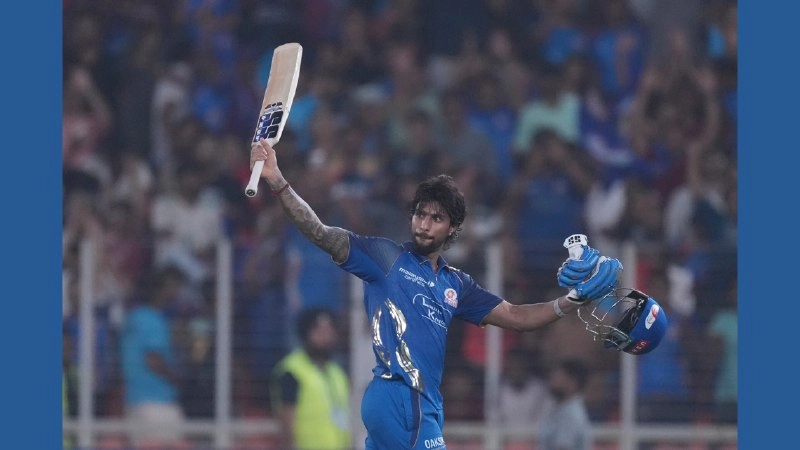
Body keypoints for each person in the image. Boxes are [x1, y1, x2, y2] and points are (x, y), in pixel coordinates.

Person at [249, 138, 622, 450]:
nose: (424, 225)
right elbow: (318, 231)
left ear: (453, 229)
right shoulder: (385, 257)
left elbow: (517, 317)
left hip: (422, 402)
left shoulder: (456, 284)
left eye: (436, 218)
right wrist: (277, 179)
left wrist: (573, 299)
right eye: (420, 214)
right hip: (399, 396)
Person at [120, 266, 186, 449]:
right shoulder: (154, 321)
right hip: (158, 404)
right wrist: (177, 379)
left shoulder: (133, 318)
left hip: (134, 400)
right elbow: (153, 360)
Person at [271, 307, 352, 450]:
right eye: (319, 331)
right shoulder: (292, 371)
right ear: (305, 334)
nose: (325, 337)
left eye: (329, 331)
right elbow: (287, 424)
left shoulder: (337, 373)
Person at [537, 359, 593, 450]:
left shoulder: (570, 415)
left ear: (573, 382)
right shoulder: (560, 411)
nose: (552, 381)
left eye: (558, 377)